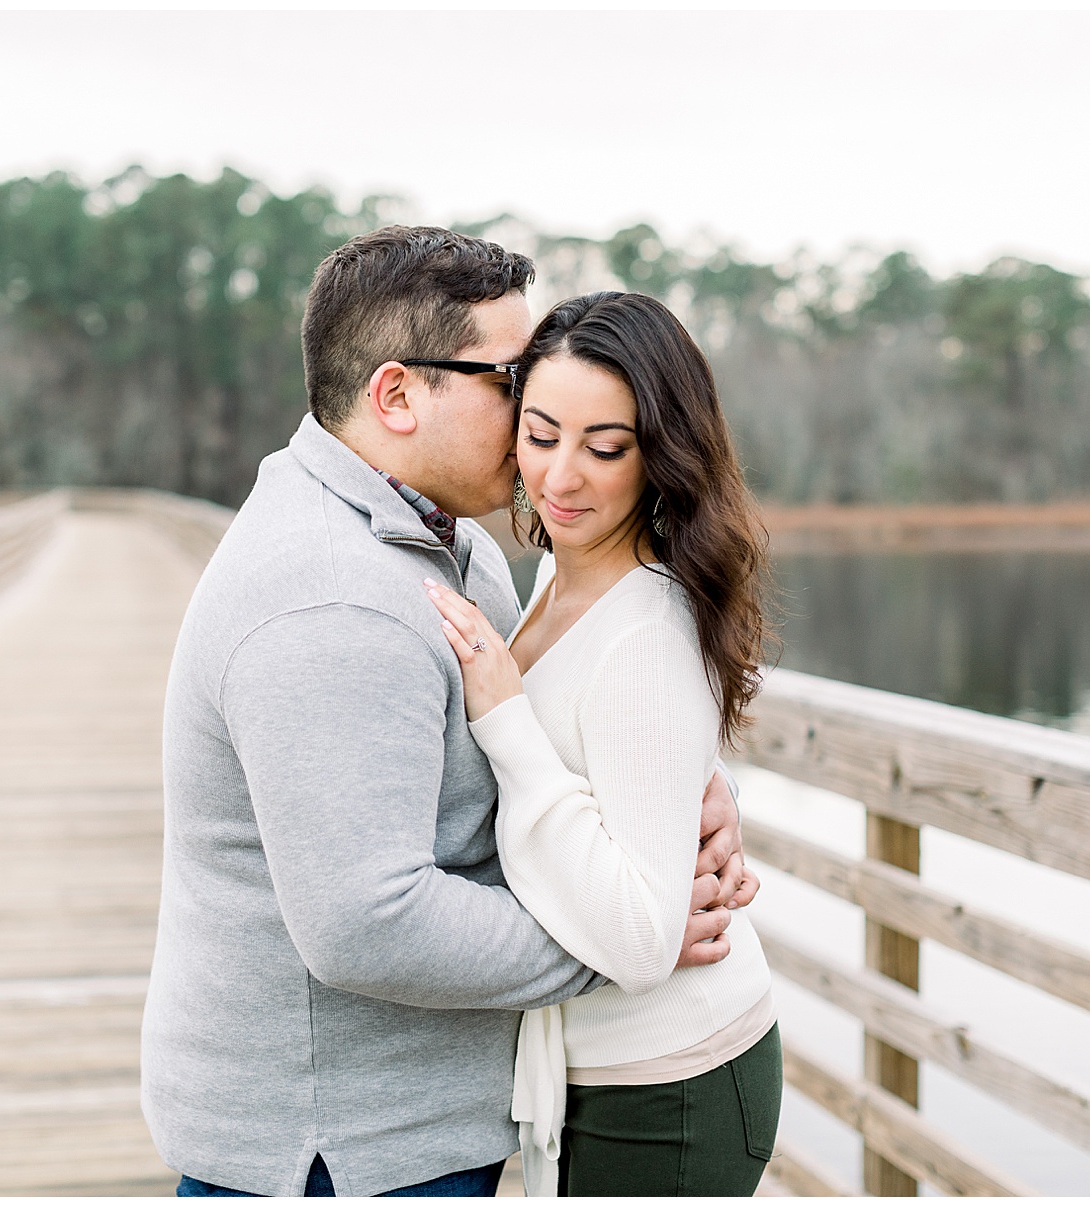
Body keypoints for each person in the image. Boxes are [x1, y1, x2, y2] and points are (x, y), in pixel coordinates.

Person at [140, 227, 757, 1197]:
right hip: (338, 1151)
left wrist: (677, 785)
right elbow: (367, 924)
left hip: (407, 1125)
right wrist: (627, 937)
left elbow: (547, 718)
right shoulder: (332, 601)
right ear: (397, 394)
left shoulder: (442, 542)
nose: (533, 414)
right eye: (508, 381)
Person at [425, 290, 781, 1196]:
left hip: (671, 1087)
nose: (561, 478)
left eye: (605, 448)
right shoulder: (551, 572)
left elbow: (636, 936)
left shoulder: (647, 628)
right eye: (541, 436)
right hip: (602, 1075)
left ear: (660, 453)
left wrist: (506, 724)